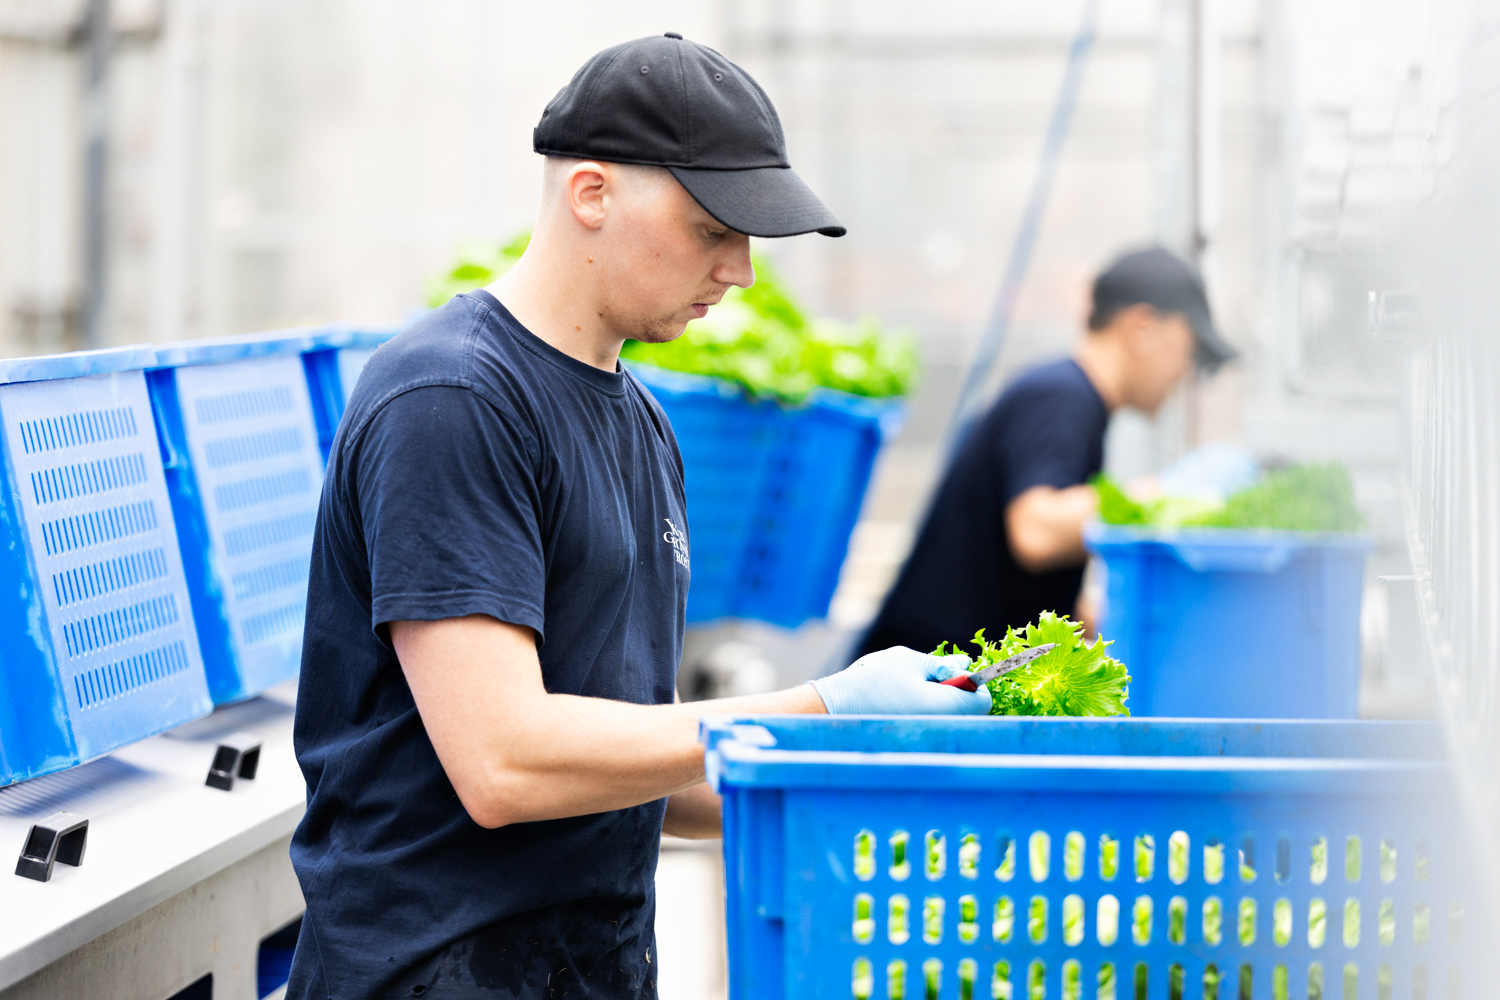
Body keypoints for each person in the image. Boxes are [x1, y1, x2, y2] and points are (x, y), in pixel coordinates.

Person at [285, 34, 989, 1000]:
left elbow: (641, 770)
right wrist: (827, 705)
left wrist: (865, 775)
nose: (740, 271)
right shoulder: (452, 399)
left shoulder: (642, 421)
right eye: (712, 228)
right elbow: (504, 762)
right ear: (591, 193)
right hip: (439, 975)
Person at [855, 246, 1236, 659]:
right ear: (1142, 328)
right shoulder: (1062, 397)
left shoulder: (1069, 398)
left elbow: (1009, 575)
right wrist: (1163, 494)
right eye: (1189, 349)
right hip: (917, 680)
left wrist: (1106, 620)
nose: (1187, 371)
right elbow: (1036, 531)